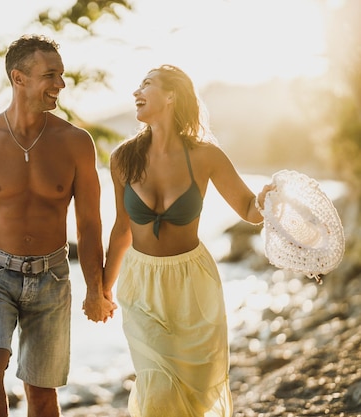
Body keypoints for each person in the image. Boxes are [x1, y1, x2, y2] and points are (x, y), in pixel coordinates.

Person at [0, 34, 115, 417]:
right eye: (50, 75)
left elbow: (90, 223)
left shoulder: (76, 142)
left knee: (42, 393)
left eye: (61, 75)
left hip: (52, 276)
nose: (60, 84)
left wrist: (97, 289)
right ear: (19, 78)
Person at [102, 64, 272, 416]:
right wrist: (102, 289)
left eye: (146, 84)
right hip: (140, 283)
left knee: (196, 392)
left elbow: (247, 208)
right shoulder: (123, 159)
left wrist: (266, 202)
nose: (136, 92)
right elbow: (121, 227)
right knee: (158, 385)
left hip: (193, 284)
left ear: (171, 95)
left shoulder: (206, 155)